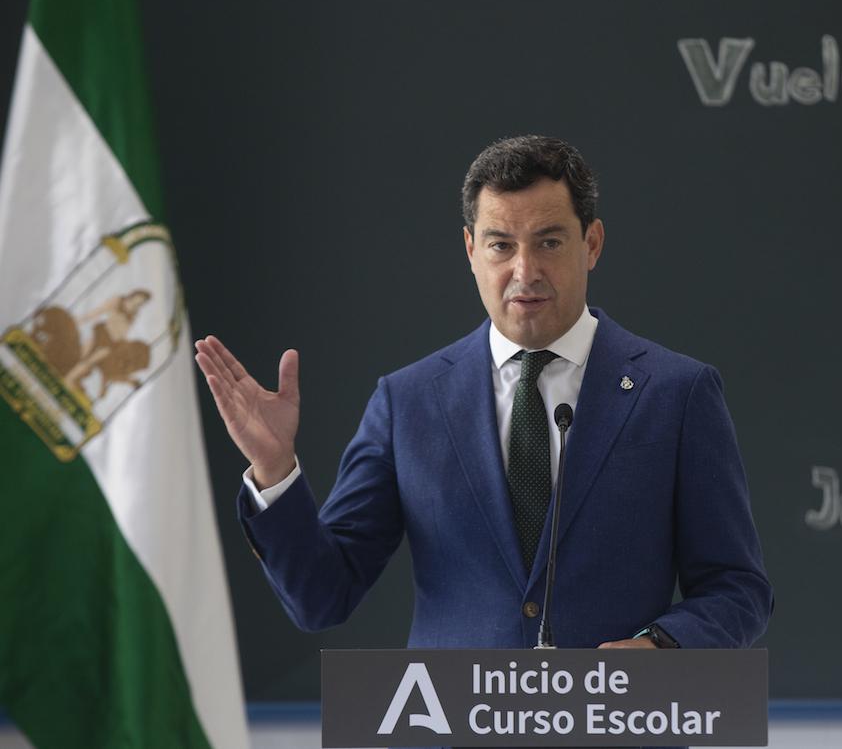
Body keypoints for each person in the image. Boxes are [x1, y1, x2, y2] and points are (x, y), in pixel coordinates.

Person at [194, 135, 772, 653]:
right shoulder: (408, 402)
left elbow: (737, 588)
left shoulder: (676, 392)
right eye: (501, 245)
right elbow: (322, 598)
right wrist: (275, 471)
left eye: (549, 242)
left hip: (617, 728)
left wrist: (661, 648)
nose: (525, 270)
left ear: (591, 244)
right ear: (471, 249)